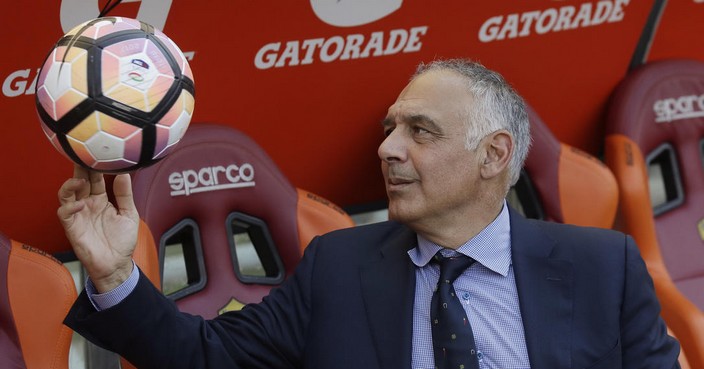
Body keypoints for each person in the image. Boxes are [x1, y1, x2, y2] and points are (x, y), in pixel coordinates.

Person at [59, 59, 681, 369]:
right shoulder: (338, 266)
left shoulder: (603, 267)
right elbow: (203, 357)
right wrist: (114, 274)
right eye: (390, 129)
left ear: (494, 155)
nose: (387, 149)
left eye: (420, 131)